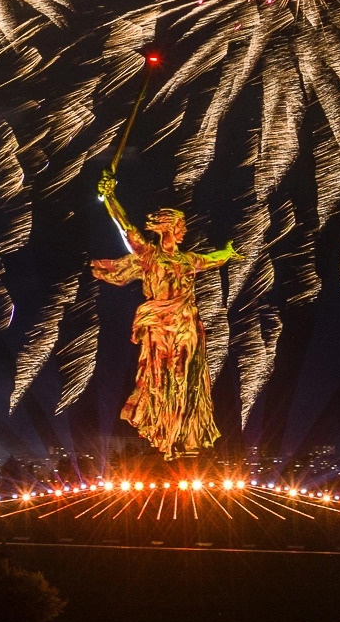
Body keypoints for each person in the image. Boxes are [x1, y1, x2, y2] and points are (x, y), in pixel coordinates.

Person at [93, 173, 237, 458]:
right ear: (168, 227)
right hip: (159, 321)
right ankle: (165, 431)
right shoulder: (149, 256)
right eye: (181, 225)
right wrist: (110, 197)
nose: (184, 230)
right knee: (160, 377)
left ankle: (182, 431)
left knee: (185, 373)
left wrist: (229, 252)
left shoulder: (188, 260)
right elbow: (126, 229)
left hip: (185, 321)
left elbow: (213, 259)